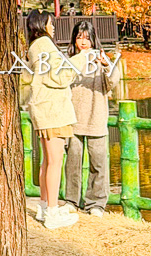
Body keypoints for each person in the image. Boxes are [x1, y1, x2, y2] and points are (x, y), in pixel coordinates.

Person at [22, 9, 80, 229]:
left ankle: (45, 206)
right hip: (52, 109)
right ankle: (53, 214)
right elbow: (59, 77)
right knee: (55, 162)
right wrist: (79, 61)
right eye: (50, 23)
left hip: (44, 108)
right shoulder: (45, 45)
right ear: (41, 24)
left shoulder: (35, 46)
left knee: (47, 161)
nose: (53, 27)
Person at [64, 20, 121, 217]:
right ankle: (71, 200)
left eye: (87, 38)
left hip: (96, 117)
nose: (83, 42)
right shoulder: (69, 59)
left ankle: (96, 204)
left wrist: (106, 65)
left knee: (98, 164)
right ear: (74, 39)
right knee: (72, 163)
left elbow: (113, 81)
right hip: (73, 119)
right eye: (79, 37)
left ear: (93, 39)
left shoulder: (101, 59)